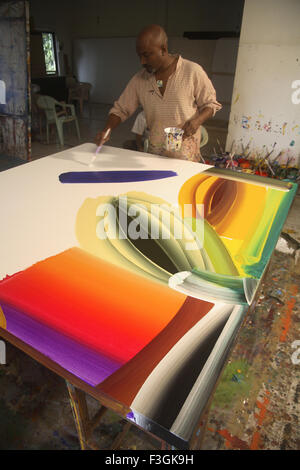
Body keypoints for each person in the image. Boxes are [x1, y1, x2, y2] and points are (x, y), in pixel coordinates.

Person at [95, 24, 221, 162]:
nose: (142, 61)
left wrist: (197, 121)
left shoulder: (191, 71)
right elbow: (121, 109)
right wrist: (106, 130)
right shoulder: (140, 79)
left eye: (147, 55)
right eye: (140, 56)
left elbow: (210, 104)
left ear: (163, 49)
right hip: (155, 154)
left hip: (185, 156)